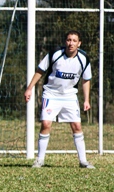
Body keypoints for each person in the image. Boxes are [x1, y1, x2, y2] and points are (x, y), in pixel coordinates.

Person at [24, 30, 94, 169]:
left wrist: (86, 100)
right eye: (69, 40)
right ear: (65, 42)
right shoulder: (55, 54)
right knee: (46, 124)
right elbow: (40, 71)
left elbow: (86, 80)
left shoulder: (84, 59)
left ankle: (83, 161)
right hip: (51, 94)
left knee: (77, 126)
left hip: (69, 96)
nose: (71, 43)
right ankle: (40, 160)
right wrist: (29, 88)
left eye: (74, 41)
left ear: (79, 43)